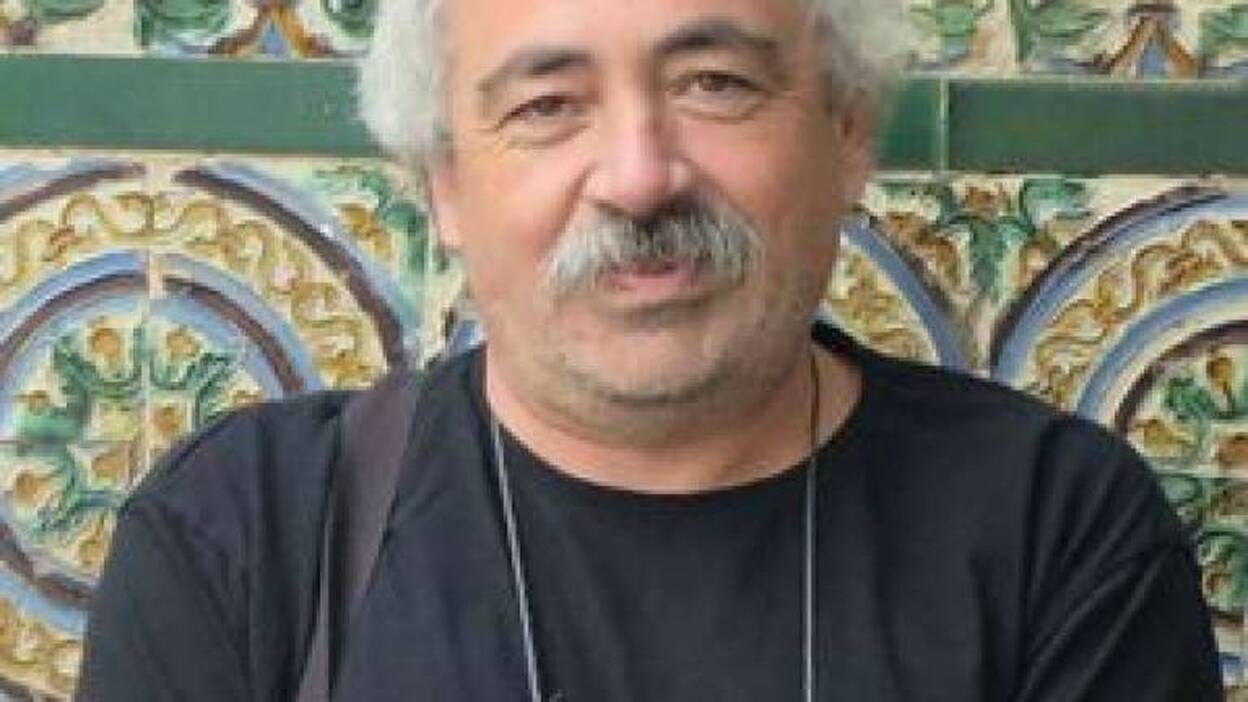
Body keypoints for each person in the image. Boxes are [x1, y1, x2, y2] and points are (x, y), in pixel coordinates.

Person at [78, 0, 1223, 699]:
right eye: (547, 105)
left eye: (714, 84)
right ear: (445, 185)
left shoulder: (1058, 534)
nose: (637, 178)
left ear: (848, 132)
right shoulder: (244, 541)